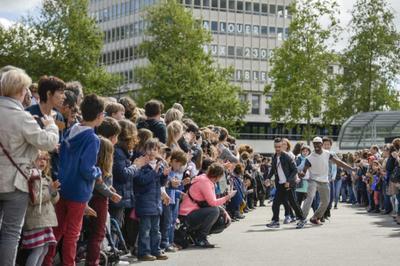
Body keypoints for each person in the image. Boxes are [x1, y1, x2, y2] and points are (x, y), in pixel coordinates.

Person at [0, 69, 59, 265]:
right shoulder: (21, 117)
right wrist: (50, 125)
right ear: (20, 90)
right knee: (10, 233)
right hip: (16, 182)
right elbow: (48, 142)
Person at [43, 94, 106, 266]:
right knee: (72, 234)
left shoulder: (72, 129)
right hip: (78, 191)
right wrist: (97, 172)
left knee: (57, 231)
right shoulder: (92, 138)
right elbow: (87, 169)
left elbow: (62, 153)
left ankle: (46, 262)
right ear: (100, 115)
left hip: (63, 186)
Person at [299, 137, 355, 225]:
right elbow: (304, 170)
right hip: (313, 180)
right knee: (310, 198)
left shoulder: (327, 154)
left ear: (321, 144)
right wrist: (301, 174)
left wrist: (350, 168)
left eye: (318, 143)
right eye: (315, 144)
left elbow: (338, 162)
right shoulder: (309, 158)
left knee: (326, 201)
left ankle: (315, 217)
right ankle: (302, 218)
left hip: (324, 181)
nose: (316, 145)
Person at [179, 162, 236, 248]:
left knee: (221, 216)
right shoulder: (205, 182)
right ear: (218, 176)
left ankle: (195, 235)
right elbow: (213, 203)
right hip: (186, 215)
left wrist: (224, 211)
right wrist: (228, 197)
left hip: (192, 212)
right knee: (214, 211)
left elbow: (211, 202)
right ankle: (201, 238)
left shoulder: (206, 179)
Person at [85, 137, 123, 266]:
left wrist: (109, 187)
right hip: (99, 200)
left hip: (92, 198)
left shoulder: (94, 165)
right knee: (98, 232)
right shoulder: (100, 168)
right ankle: (92, 262)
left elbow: (103, 183)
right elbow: (99, 185)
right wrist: (111, 194)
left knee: (93, 232)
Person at [133, 138, 170, 261]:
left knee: (156, 230)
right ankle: (144, 252)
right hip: (144, 202)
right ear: (145, 149)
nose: (152, 151)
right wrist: (154, 172)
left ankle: (156, 250)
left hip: (156, 202)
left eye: (155, 149)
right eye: (149, 148)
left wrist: (164, 175)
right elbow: (141, 181)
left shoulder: (160, 164)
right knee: (145, 230)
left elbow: (161, 184)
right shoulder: (141, 164)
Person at [21, 151, 59, 266]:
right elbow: (34, 199)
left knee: (44, 250)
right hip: (36, 219)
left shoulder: (46, 178)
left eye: (45, 159)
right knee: (38, 249)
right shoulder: (32, 178)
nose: (43, 161)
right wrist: (50, 191)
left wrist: (54, 191)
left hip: (45, 220)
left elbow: (54, 200)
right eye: (39, 158)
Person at [26, 75, 66, 181]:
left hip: (53, 172)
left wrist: (60, 147)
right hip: (31, 172)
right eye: (61, 92)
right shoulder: (28, 113)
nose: (64, 97)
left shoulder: (59, 116)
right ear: (49, 94)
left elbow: (61, 141)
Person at [265, 138, 307, 229]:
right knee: (275, 203)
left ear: (282, 146)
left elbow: (295, 170)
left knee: (293, 203)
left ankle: (302, 219)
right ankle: (275, 221)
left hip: (288, 184)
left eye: (279, 147)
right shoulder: (275, 156)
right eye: (276, 147)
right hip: (280, 184)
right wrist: (268, 178)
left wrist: (289, 181)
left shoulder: (286, 156)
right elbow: (272, 169)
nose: (278, 149)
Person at [160, 150, 188, 252]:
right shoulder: (167, 170)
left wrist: (181, 188)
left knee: (172, 221)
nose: (179, 167)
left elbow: (175, 188)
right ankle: (165, 242)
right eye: (179, 164)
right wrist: (177, 185)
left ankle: (171, 242)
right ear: (174, 161)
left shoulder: (176, 172)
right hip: (167, 199)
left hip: (174, 199)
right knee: (167, 222)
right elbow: (166, 186)